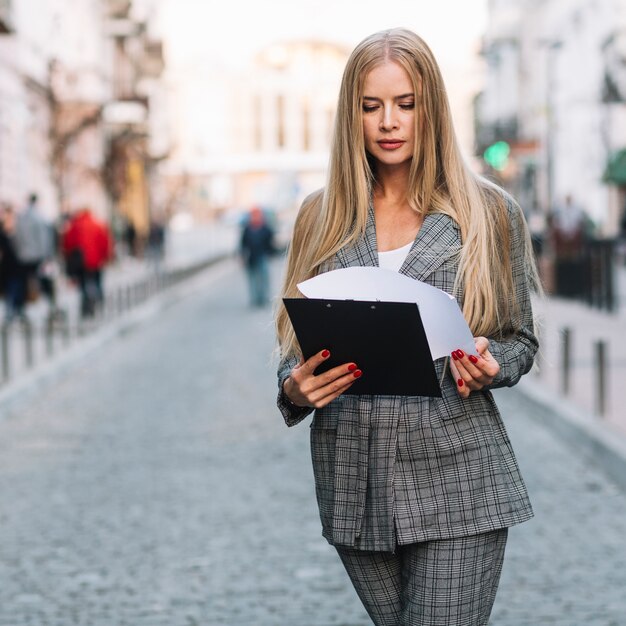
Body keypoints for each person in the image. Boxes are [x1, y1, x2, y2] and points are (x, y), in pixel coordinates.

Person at [274, 29, 540, 626]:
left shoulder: (489, 212)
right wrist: (294, 390)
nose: (388, 122)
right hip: (353, 483)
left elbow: (519, 339)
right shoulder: (320, 215)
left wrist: (493, 362)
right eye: (371, 107)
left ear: (432, 109)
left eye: (406, 104)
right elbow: (294, 342)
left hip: (459, 477)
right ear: (352, 115)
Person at [62, 207, 113, 318]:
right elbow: (105, 242)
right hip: (96, 261)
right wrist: (106, 257)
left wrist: (68, 258)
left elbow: (67, 244)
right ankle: (98, 301)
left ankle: (87, 307)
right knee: (96, 282)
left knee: (84, 285)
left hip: (81, 262)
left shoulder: (75, 226)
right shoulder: (98, 224)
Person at [240, 206, 275, 307]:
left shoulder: (265, 228)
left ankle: (263, 297)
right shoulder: (247, 229)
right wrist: (242, 256)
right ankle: (255, 298)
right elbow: (243, 243)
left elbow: (270, 243)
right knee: (253, 279)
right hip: (251, 257)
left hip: (263, 256)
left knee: (263, 278)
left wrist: (270, 253)